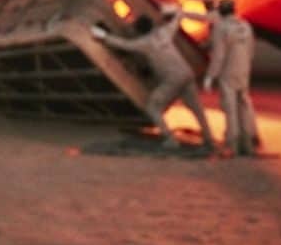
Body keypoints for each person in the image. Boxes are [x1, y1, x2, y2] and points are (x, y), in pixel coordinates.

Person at [92, 12, 217, 150]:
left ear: (139, 30)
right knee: (197, 109)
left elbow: (124, 44)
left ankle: (170, 139)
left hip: (171, 79)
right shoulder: (165, 32)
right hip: (187, 73)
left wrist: (103, 36)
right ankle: (209, 140)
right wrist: (172, 12)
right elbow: (178, 18)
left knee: (153, 107)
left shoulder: (144, 43)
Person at [203, 0, 261, 155]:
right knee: (244, 104)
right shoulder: (245, 26)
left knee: (230, 107)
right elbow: (251, 51)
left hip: (228, 71)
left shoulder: (221, 27)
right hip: (243, 70)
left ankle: (233, 144)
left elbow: (219, 55)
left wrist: (210, 76)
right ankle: (248, 143)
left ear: (220, 11)